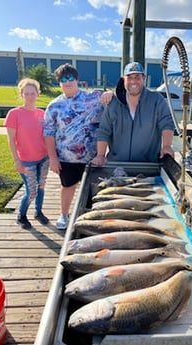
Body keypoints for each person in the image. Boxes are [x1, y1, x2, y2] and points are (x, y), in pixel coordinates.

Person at [43, 63, 113, 230]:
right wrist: (53, 159)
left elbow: (114, 98)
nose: (68, 82)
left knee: (95, 188)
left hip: (93, 156)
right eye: (63, 79)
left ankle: (93, 217)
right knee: (67, 186)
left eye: (70, 78)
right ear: (59, 82)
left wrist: (111, 93)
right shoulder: (53, 106)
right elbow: (48, 134)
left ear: (77, 79)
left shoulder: (93, 98)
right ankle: (64, 215)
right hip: (67, 158)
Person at [92, 61, 175, 166]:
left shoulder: (157, 100)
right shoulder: (113, 103)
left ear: (143, 78)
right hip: (116, 165)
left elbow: (167, 123)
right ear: (123, 80)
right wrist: (100, 155)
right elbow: (104, 131)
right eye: (129, 77)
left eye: (137, 77)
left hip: (149, 165)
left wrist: (167, 146)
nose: (133, 81)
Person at [4, 78, 49, 230]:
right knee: (31, 191)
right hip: (26, 160)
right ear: (21, 94)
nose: (30, 96)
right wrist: (16, 160)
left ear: (38, 94)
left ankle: (38, 212)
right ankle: (21, 216)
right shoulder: (14, 114)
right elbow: (11, 140)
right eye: (27, 93)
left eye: (33, 93)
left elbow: (47, 136)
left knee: (41, 186)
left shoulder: (42, 114)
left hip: (43, 158)